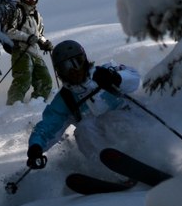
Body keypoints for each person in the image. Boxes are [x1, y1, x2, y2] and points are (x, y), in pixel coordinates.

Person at [25, 39, 141, 169]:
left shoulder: (104, 72)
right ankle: (110, 171)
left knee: (110, 119)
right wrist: (36, 147)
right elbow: (48, 126)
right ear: (59, 72)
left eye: (76, 62)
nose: (73, 70)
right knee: (84, 129)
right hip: (108, 146)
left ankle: (142, 156)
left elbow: (134, 78)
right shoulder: (66, 98)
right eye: (66, 67)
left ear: (84, 60)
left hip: (135, 127)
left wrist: (116, 78)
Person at [4, 0, 54, 105]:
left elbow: (38, 35)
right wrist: (27, 38)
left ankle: (37, 104)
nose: (31, 0)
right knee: (23, 78)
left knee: (45, 80)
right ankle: (12, 106)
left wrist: (45, 42)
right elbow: (9, 31)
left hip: (34, 51)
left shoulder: (37, 15)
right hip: (20, 50)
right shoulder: (16, 10)